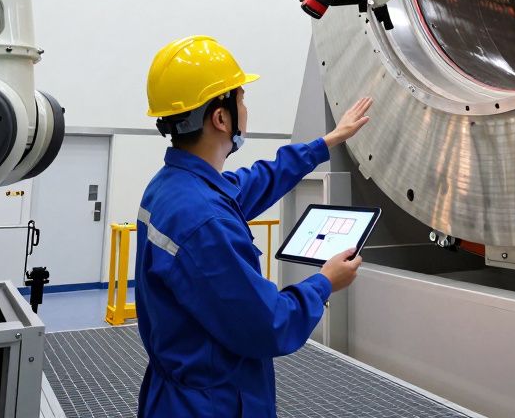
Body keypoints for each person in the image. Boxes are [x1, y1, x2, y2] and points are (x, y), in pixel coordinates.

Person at [135, 35, 372, 417]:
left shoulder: (172, 187)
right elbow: (268, 324)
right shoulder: (205, 221)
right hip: (212, 405)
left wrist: (327, 142)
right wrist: (325, 282)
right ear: (221, 117)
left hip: (174, 393)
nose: (246, 107)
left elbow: (257, 181)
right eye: (241, 97)